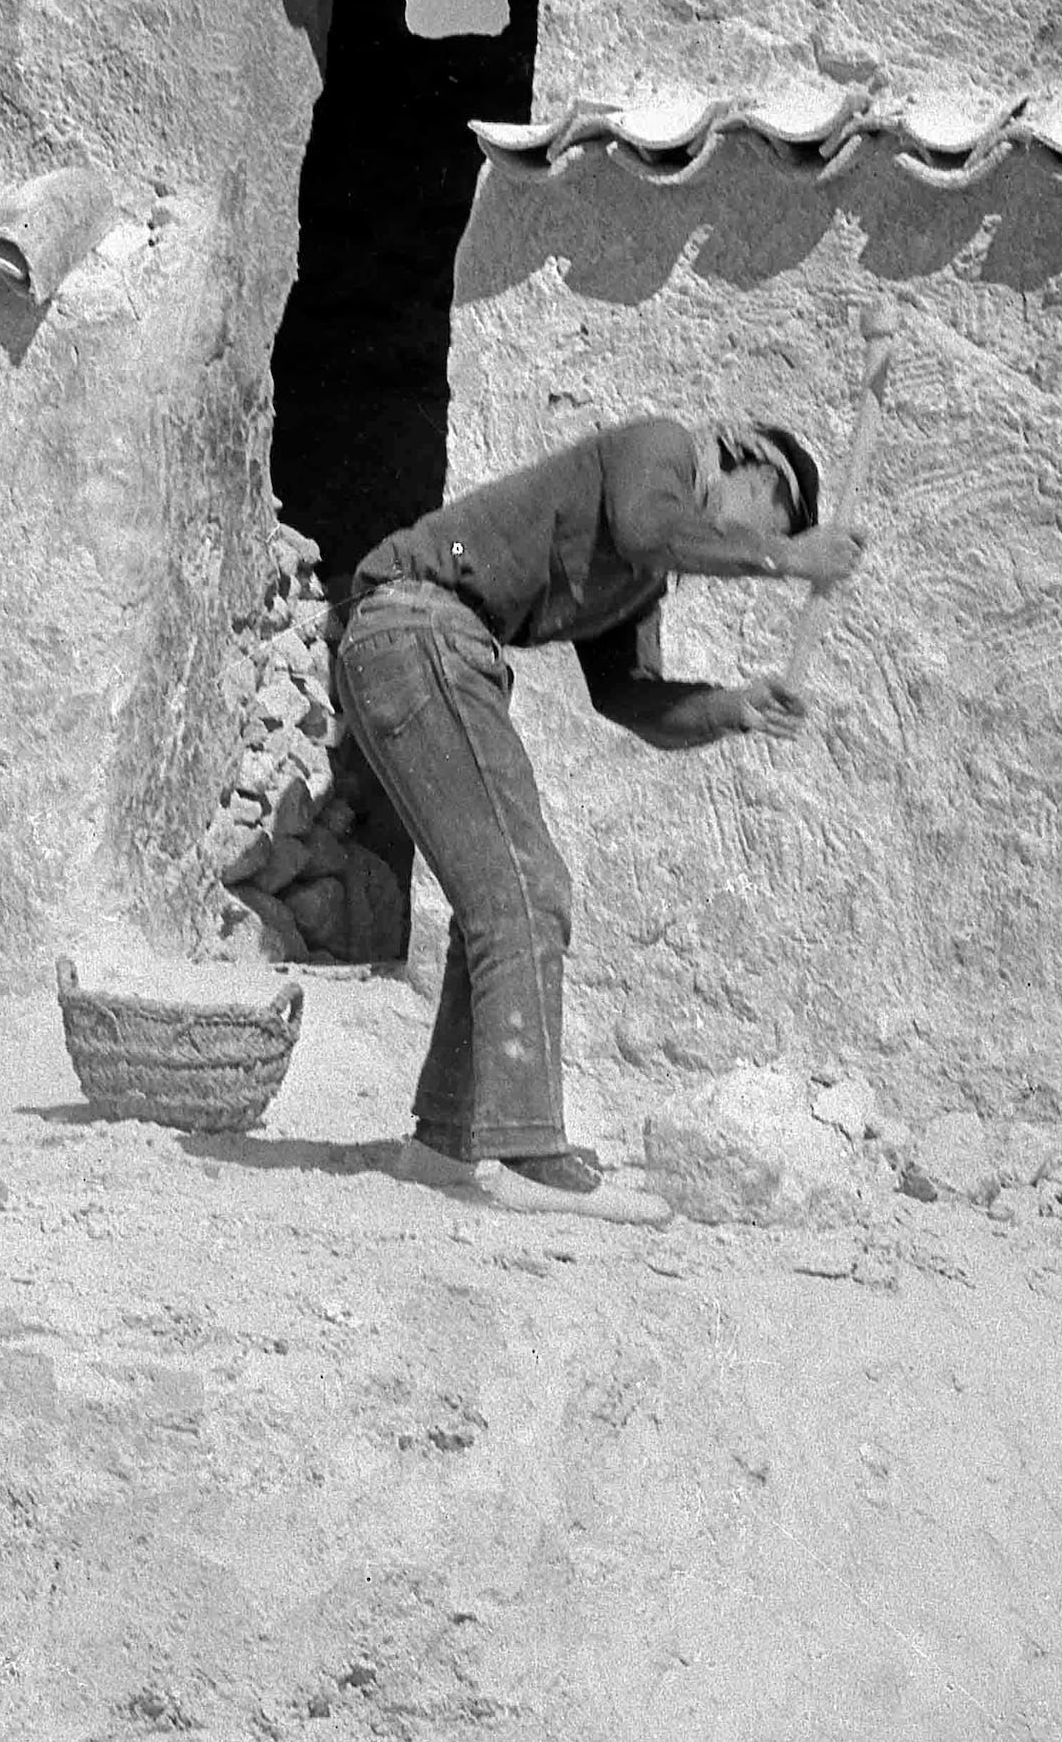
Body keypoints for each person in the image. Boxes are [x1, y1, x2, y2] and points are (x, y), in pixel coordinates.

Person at [331, 413, 862, 1190]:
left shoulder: (642, 572)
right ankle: (529, 1146)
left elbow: (628, 698)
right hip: (420, 625)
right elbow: (654, 529)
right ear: (748, 458)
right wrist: (784, 557)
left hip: (425, 641)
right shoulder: (665, 449)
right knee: (526, 887)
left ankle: (443, 1144)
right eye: (772, 512)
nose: (766, 532)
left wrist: (733, 707)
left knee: (502, 889)